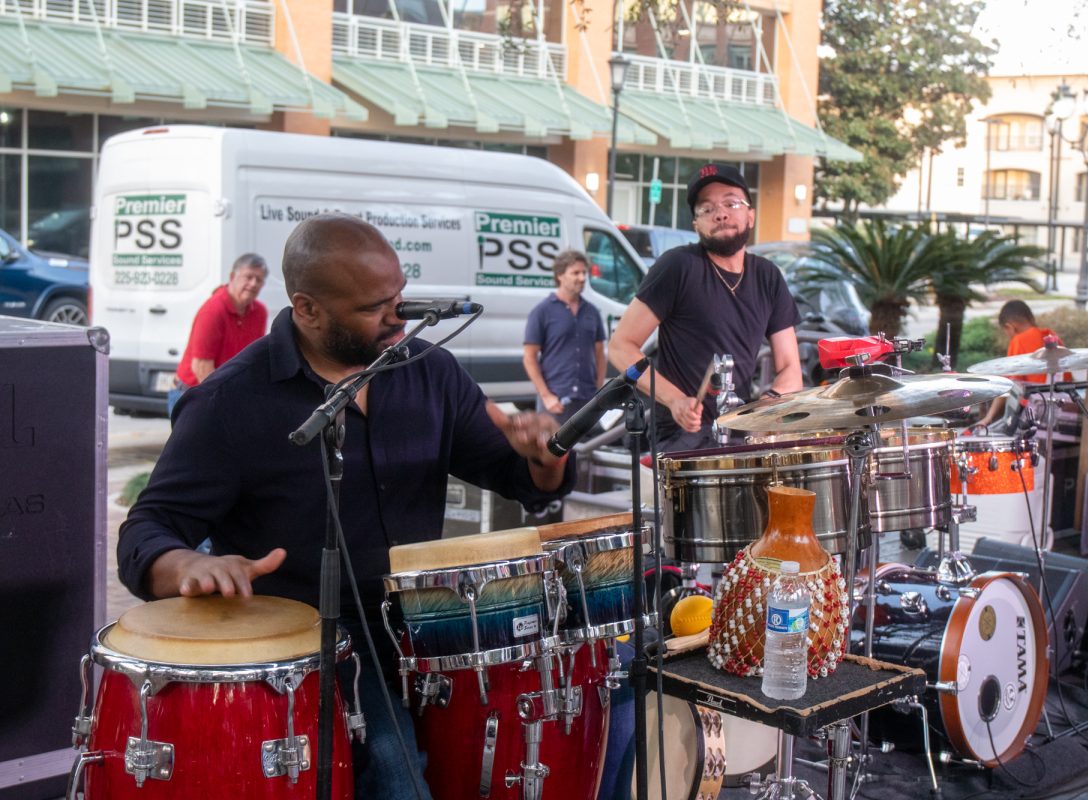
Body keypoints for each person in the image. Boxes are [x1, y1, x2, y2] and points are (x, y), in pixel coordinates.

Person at [118, 213, 573, 799]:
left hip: (430, 628)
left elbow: (524, 479)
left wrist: (544, 454)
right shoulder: (229, 403)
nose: (398, 316)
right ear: (307, 309)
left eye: (400, 296)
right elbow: (146, 530)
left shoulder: (429, 371)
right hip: (319, 653)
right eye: (374, 306)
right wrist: (186, 566)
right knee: (398, 781)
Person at [608, 163, 803, 452]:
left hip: (738, 431)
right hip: (680, 438)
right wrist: (674, 399)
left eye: (731, 203)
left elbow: (791, 369)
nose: (720, 213)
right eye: (706, 209)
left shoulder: (768, 276)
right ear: (696, 225)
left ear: (750, 215)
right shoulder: (678, 267)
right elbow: (620, 348)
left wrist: (765, 408)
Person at [167, 253, 269, 417]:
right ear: (232, 276)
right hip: (194, 395)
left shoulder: (260, 312)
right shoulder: (214, 310)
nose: (253, 284)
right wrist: (226, 406)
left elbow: (254, 359)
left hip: (227, 394)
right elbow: (201, 368)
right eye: (248, 277)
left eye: (259, 280)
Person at [523, 249, 607, 425]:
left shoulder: (592, 312)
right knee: (552, 451)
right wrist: (546, 396)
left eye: (584, 273)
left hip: (586, 400)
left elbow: (600, 354)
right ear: (560, 275)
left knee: (588, 451)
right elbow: (529, 357)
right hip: (556, 401)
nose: (582, 278)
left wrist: (598, 393)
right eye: (575, 273)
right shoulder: (542, 311)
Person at [976, 299, 1071, 428]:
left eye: (1006, 332)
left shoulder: (1019, 340)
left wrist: (988, 418)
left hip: (1038, 413)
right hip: (1063, 409)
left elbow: (1008, 386)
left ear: (1010, 327)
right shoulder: (1051, 336)